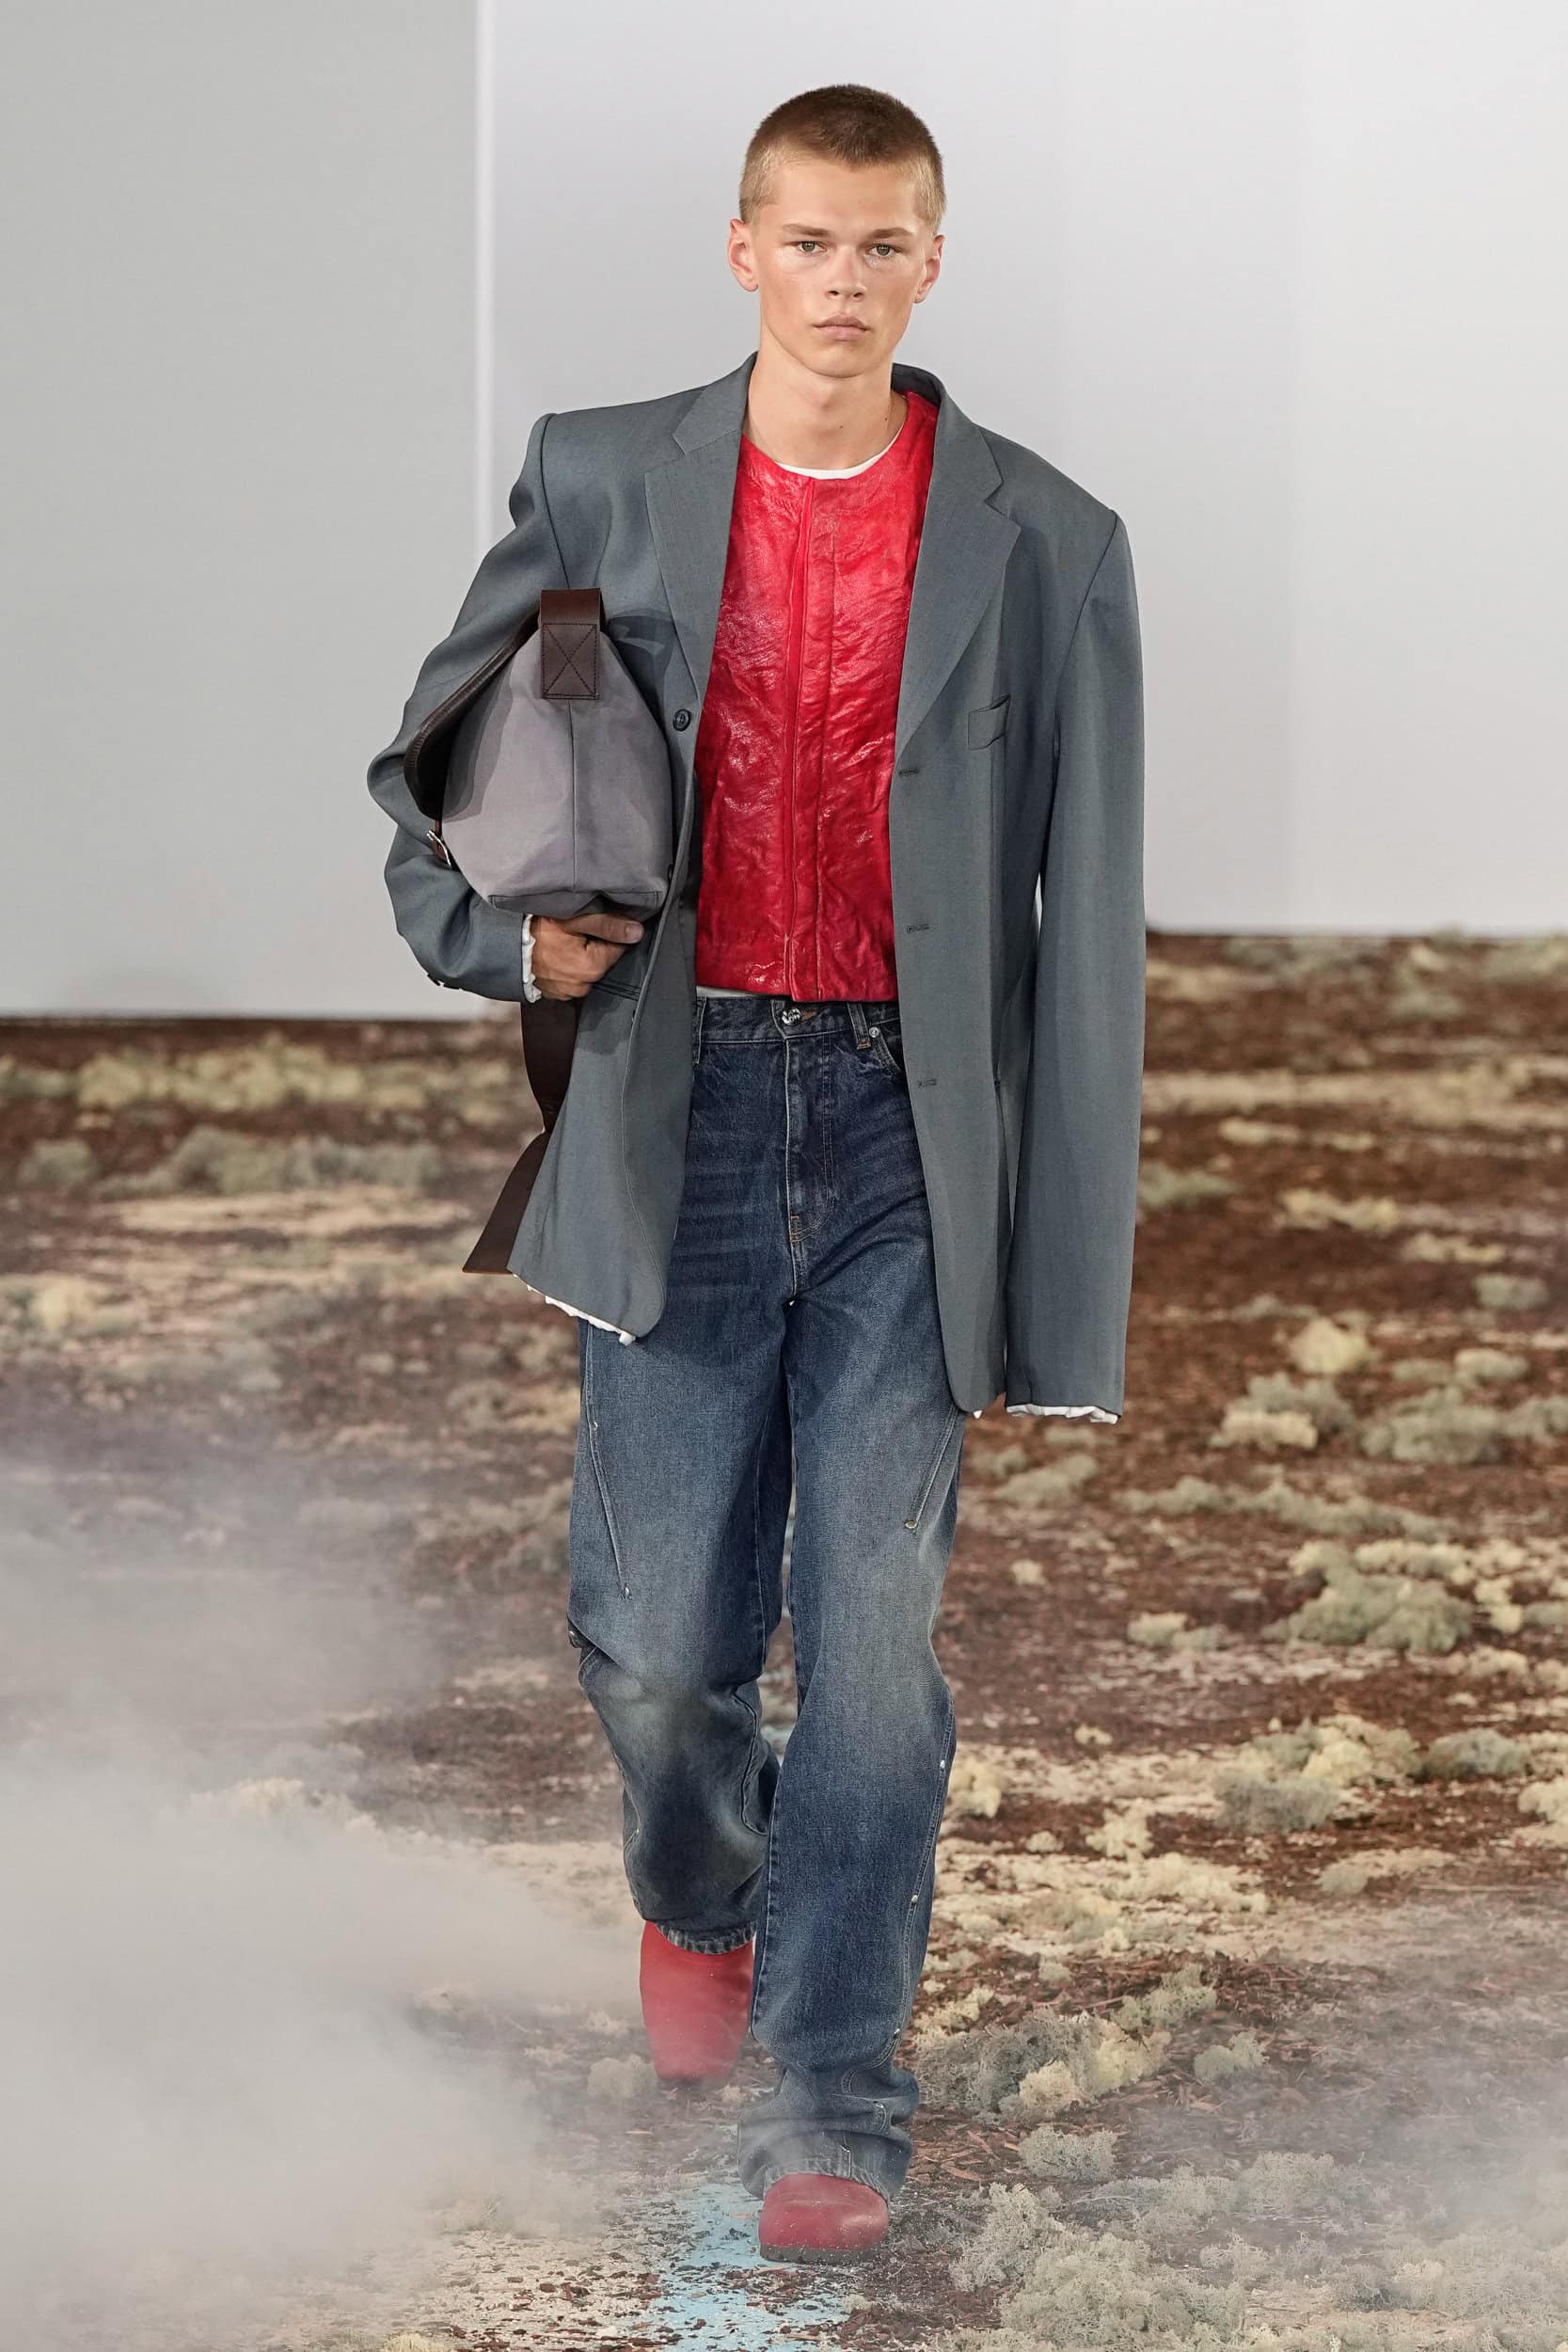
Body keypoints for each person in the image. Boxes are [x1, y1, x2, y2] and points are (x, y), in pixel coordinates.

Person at [367, 82, 1145, 2265]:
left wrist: (1064, 1273)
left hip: (914, 1134)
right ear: (743, 252)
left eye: (885, 244)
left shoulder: (1051, 539)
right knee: (656, 1641)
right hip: (679, 1103)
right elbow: (431, 766)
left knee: (872, 1651)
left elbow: (1089, 926)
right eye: (808, 240)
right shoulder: (605, 472)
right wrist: (500, 940)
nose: (844, 280)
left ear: (933, 261)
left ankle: (837, 2091)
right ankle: (701, 1886)